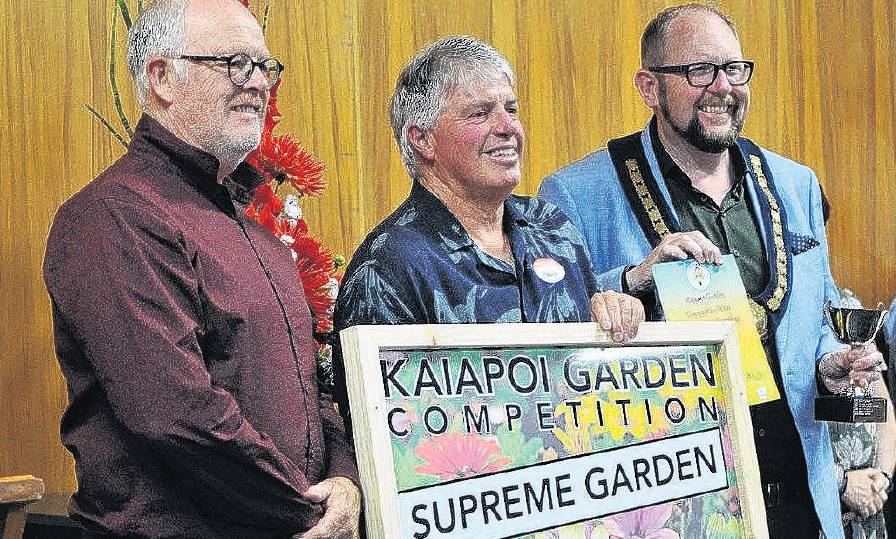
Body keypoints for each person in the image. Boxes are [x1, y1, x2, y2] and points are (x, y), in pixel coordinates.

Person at [538, 4, 884, 538]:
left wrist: (830, 364)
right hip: (679, 504)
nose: (722, 87)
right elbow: (553, 337)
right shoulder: (579, 195)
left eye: (734, 69)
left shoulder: (797, 185)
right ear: (650, 87)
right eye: (700, 71)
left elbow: (817, 320)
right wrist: (631, 279)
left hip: (800, 492)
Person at [42, 1, 359, 537]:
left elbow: (312, 390)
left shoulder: (254, 228)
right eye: (235, 64)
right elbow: (176, 415)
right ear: (162, 77)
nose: (258, 83)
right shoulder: (114, 216)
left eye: (265, 66)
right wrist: (307, 513)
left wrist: (346, 483)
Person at [331, 35, 644, 430]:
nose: (507, 127)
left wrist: (616, 320)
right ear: (422, 139)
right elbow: (386, 436)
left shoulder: (552, 227)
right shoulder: (388, 268)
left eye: (511, 109)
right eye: (480, 113)